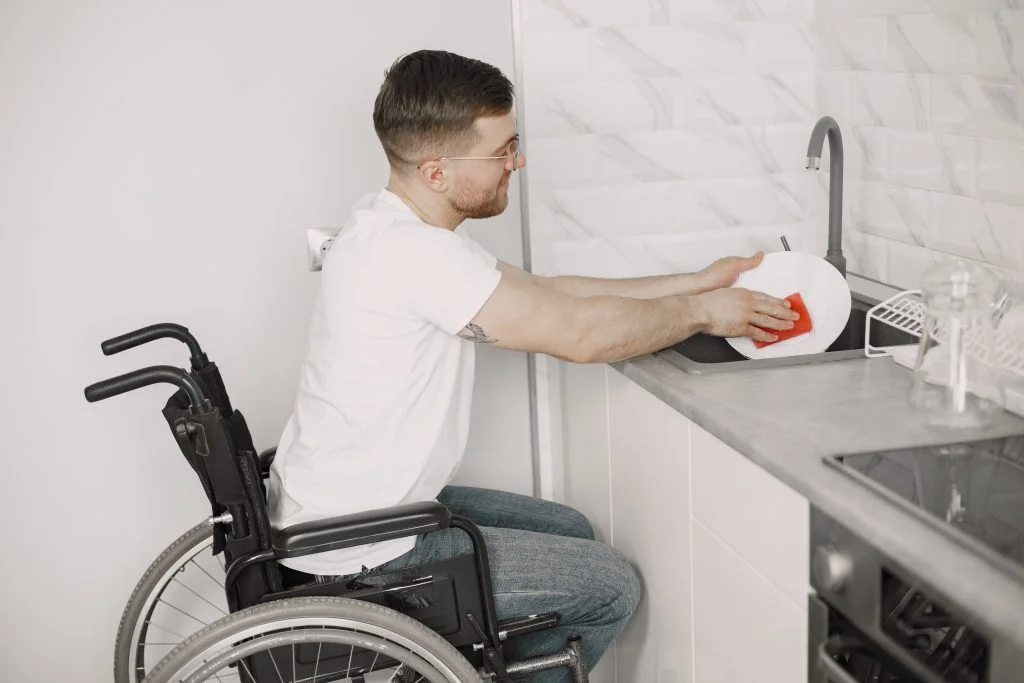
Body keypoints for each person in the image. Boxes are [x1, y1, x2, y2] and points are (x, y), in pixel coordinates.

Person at [266, 49, 798, 681]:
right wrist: (704, 313)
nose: (517, 162)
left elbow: (552, 293)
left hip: (354, 513)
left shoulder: (398, 229)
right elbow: (579, 334)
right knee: (610, 587)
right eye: (502, 150)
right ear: (437, 171)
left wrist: (700, 282)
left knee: (569, 527)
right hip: (365, 550)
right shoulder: (413, 255)